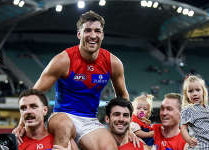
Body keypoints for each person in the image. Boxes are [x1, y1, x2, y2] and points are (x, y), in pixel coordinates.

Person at [14, 10, 129, 150]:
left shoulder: (113, 62)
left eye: (97, 31)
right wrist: (21, 124)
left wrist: (131, 127)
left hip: (89, 120)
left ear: (102, 35)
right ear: (79, 34)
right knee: (64, 126)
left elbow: (123, 96)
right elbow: (34, 93)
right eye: (87, 30)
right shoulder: (63, 60)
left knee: (109, 147)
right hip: (62, 115)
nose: (93, 35)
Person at [180, 75, 209, 149]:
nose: (195, 93)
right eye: (190, 91)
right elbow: (183, 128)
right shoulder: (188, 109)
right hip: (200, 145)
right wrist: (188, 140)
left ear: (203, 91)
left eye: (198, 90)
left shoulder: (206, 107)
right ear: (186, 94)